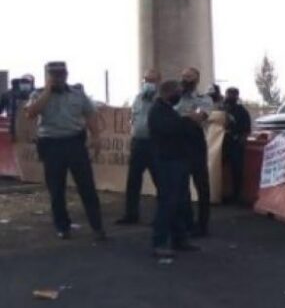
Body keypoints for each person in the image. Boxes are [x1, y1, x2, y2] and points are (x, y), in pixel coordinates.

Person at [24, 61, 105, 240]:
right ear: (47, 76)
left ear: (66, 75)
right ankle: (63, 226)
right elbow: (30, 113)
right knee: (56, 189)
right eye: (54, 75)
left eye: (61, 75)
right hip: (51, 144)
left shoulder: (77, 93)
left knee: (87, 186)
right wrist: (47, 91)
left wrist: (96, 136)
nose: (59, 78)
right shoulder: (37, 94)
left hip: (75, 142)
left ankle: (97, 226)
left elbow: (90, 113)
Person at [147, 80, 197, 258]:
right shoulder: (157, 111)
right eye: (177, 92)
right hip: (167, 161)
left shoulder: (168, 110)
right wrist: (187, 121)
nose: (179, 95)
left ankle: (179, 238)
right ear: (168, 93)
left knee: (180, 201)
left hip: (177, 160)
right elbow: (170, 129)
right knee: (168, 202)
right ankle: (159, 242)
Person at [116, 69, 161, 225]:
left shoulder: (161, 99)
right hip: (139, 142)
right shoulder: (138, 98)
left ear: (158, 82)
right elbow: (134, 117)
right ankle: (131, 214)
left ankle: (162, 216)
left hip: (155, 143)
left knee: (160, 181)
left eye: (152, 81)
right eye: (146, 80)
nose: (148, 84)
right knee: (133, 180)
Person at [175, 67, 213, 238]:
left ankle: (203, 225)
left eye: (189, 77)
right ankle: (187, 223)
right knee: (182, 187)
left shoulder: (203, 99)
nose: (185, 79)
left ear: (197, 79)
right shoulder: (175, 98)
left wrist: (181, 116)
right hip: (179, 144)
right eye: (183, 76)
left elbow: (199, 117)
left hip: (196, 145)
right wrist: (187, 115)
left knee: (202, 186)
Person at [221, 86, 252, 204]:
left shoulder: (241, 111)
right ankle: (220, 192)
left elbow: (246, 129)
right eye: (229, 94)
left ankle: (236, 195)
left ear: (237, 96)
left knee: (237, 170)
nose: (230, 97)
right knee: (218, 169)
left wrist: (241, 140)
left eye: (233, 94)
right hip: (221, 143)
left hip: (235, 143)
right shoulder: (221, 109)